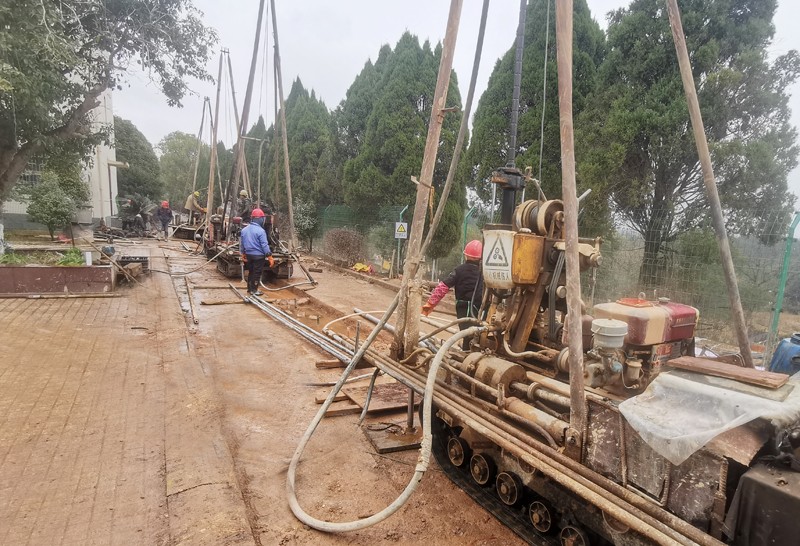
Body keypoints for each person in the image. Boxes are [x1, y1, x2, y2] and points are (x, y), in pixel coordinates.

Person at [422, 239, 484, 349]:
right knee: (480, 333)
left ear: (466, 255)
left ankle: (467, 353)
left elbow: (443, 287)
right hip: (481, 308)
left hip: (463, 307)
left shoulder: (459, 270)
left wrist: (430, 305)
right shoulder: (484, 273)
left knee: (467, 334)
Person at [240, 208, 274, 296]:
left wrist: (243, 253)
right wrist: (270, 257)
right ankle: (254, 290)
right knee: (257, 273)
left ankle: (249, 289)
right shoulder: (261, 231)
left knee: (251, 272)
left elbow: (242, 244)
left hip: (249, 255)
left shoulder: (244, 230)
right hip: (259, 256)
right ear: (261, 219)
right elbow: (264, 245)